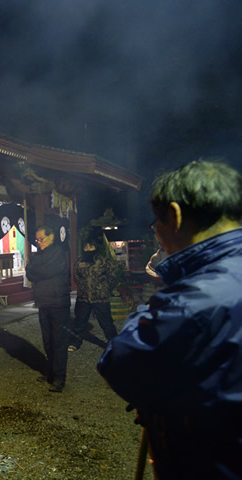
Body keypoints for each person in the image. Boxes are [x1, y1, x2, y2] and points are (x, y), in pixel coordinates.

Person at [98, 160, 242, 479]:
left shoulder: (195, 299)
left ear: (174, 216)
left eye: (156, 224)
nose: (156, 233)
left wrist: (168, 283)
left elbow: (121, 363)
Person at [25, 224, 70, 392]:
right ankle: (51, 372)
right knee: (48, 341)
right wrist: (35, 269)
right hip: (43, 302)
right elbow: (30, 272)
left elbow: (44, 271)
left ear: (51, 237)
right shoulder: (39, 255)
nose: (39, 242)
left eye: (41, 239)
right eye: (37, 240)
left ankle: (59, 377)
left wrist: (35, 269)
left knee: (59, 342)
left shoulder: (58, 253)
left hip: (58, 303)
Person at [68, 227, 118, 351]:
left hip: (100, 297)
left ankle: (115, 344)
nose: (88, 248)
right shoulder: (80, 260)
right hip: (83, 297)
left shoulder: (103, 261)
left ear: (96, 247)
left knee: (106, 323)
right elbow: (76, 275)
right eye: (86, 246)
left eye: (91, 246)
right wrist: (83, 286)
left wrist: (104, 288)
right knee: (79, 322)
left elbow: (112, 276)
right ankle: (75, 342)